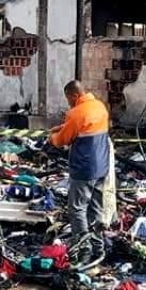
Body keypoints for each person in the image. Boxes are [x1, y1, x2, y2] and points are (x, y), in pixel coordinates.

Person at [49, 80, 113, 237]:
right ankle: (98, 245)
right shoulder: (99, 106)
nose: (68, 102)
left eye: (68, 98)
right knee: (96, 207)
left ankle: (83, 248)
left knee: (77, 208)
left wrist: (51, 136)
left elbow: (61, 140)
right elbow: (83, 127)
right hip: (102, 166)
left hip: (84, 168)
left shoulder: (76, 112)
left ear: (75, 95)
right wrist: (63, 127)